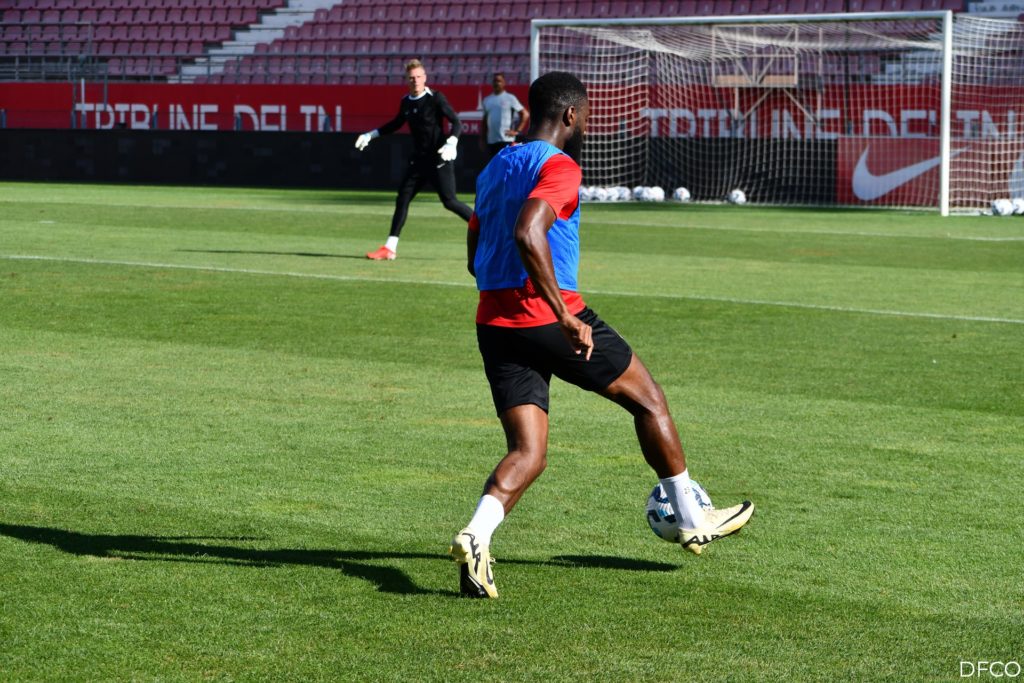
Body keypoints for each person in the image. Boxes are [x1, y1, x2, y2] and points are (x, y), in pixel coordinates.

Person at [449, 72, 754, 599]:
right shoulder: (560, 166)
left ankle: (475, 536)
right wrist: (563, 316)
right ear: (571, 115)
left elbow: (476, 249)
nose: (587, 123)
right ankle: (691, 516)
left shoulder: (496, 165)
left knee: (529, 452)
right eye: (585, 115)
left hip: (494, 321)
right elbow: (528, 230)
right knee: (649, 401)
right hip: (551, 316)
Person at [354, 59, 473, 261]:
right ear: (407, 80)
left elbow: (456, 122)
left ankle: (487, 228)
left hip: (439, 158)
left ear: (424, 78)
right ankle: (389, 248)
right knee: (403, 198)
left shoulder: (435, 98)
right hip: (418, 161)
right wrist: (370, 135)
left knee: (450, 202)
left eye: (418, 77)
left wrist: (452, 142)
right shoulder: (406, 102)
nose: (415, 81)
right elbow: (396, 124)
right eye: (411, 78)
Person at [479, 72, 529, 161]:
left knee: (506, 165)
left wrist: (517, 131)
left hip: (506, 139)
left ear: (504, 83)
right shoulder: (487, 100)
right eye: (495, 81)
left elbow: (525, 114)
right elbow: (485, 122)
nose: (497, 83)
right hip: (492, 141)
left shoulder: (510, 98)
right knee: (494, 166)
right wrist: (483, 139)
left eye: (499, 81)